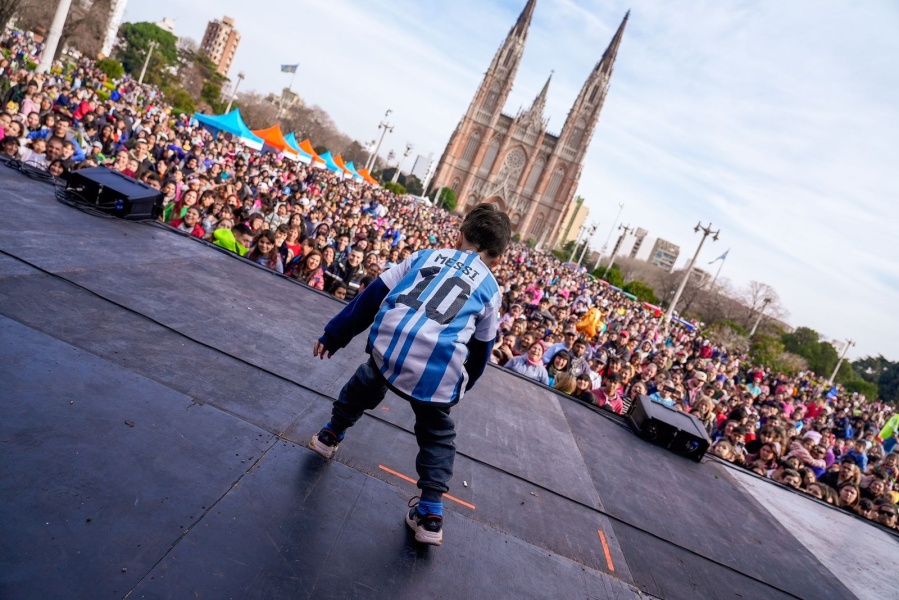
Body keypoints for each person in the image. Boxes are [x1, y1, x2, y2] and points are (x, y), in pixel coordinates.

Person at [308, 203, 511, 547]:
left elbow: (371, 297)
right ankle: (431, 512)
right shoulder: (492, 290)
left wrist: (334, 335)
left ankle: (330, 434)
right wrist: (460, 388)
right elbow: (481, 351)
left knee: (366, 381)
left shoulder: (423, 256)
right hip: (437, 368)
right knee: (437, 433)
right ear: (499, 258)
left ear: (459, 235)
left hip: (389, 344)